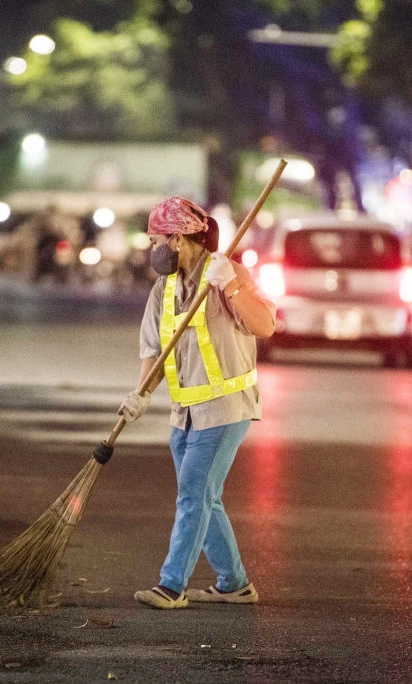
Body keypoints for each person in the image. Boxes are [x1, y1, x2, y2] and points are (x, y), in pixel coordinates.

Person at [119, 197, 276, 610]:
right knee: (205, 496)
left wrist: (232, 285)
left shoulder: (227, 274)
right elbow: (153, 350)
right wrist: (141, 395)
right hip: (185, 412)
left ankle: (171, 585)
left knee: (194, 493)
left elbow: (265, 325)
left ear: (177, 238)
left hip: (226, 407)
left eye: (155, 239)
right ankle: (234, 583)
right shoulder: (163, 290)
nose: (151, 248)